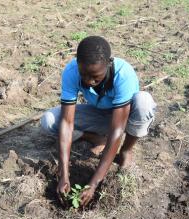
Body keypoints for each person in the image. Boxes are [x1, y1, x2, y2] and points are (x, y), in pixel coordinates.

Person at [41, 36, 156, 207]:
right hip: (99, 113)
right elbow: (66, 122)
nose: (88, 81)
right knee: (49, 120)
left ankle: (126, 150)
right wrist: (63, 174)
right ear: (77, 63)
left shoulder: (123, 75)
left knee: (144, 101)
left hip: (124, 117)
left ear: (108, 64)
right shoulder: (71, 71)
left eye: (95, 76)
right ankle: (95, 137)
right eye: (84, 74)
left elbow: (117, 131)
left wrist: (93, 183)